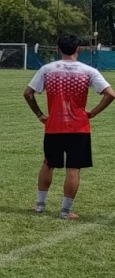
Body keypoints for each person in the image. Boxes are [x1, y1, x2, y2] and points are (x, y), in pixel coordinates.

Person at [23, 34, 115, 219]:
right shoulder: (89, 71)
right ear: (79, 49)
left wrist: (40, 115)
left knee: (48, 164)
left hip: (54, 125)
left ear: (58, 49)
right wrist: (93, 112)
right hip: (79, 127)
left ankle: (40, 206)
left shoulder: (47, 69)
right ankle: (65, 211)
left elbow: (28, 93)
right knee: (73, 168)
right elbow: (110, 94)